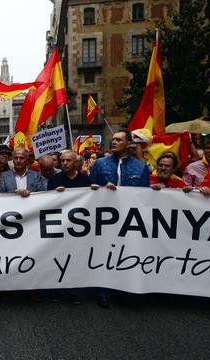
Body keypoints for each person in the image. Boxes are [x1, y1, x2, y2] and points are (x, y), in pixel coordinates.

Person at [88, 129, 149, 308]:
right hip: (105, 219)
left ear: (129, 144)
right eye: (113, 140)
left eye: (119, 140)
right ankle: (103, 291)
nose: (113, 142)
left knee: (128, 253)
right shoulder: (100, 164)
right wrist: (99, 187)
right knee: (104, 253)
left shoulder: (140, 167)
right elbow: (88, 189)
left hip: (130, 219)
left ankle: (125, 289)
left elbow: (145, 195)